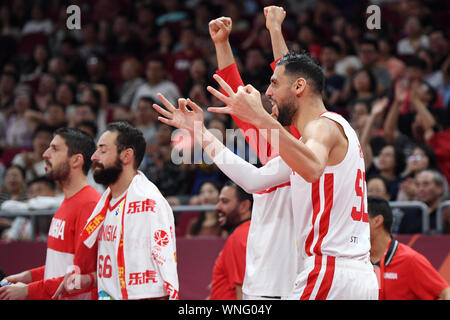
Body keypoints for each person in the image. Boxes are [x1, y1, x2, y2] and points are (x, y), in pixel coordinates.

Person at [206, 50, 378, 299]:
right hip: (356, 273)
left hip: (329, 269)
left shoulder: (322, 127)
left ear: (299, 86)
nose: (268, 92)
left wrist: (259, 116)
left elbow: (311, 168)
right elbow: (258, 175)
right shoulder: (332, 129)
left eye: (274, 83)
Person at [53, 121, 178, 300]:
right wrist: (86, 280)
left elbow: (158, 284)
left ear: (126, 156)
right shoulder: (107, 203)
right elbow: (118, 273)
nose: (94, 156)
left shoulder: (146, 204)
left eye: (103, 151)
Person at [0, 127, 101, 300]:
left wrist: (28, 290)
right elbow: (64, 267)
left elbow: (85, 277)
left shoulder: (89, 205)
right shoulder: (68, 202)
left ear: (76, 160)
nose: (45, 154)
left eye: (55, 149)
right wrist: (29, 276)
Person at [367, 195, 450, 300]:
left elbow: (446, 293)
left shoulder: (410, 260)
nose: (354, 225)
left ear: (377, 221)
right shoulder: (357, 259)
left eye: (359, 219)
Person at [209, 182, 252, 300]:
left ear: (244, 206)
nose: (217, 207)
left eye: (225, 201)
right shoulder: (247, 232)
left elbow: (243, 291)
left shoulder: (239, 236)